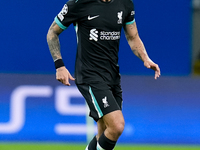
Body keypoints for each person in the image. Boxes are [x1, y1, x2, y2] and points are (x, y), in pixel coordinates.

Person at [47, 0, 161, 149]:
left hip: (112, 75)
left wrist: (145, 58)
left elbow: (133, 37)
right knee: (117, 125)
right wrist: (59, 65)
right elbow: (52, 32)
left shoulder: (125, 3)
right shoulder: (79, 4)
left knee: (104, 131)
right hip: (89, 74)